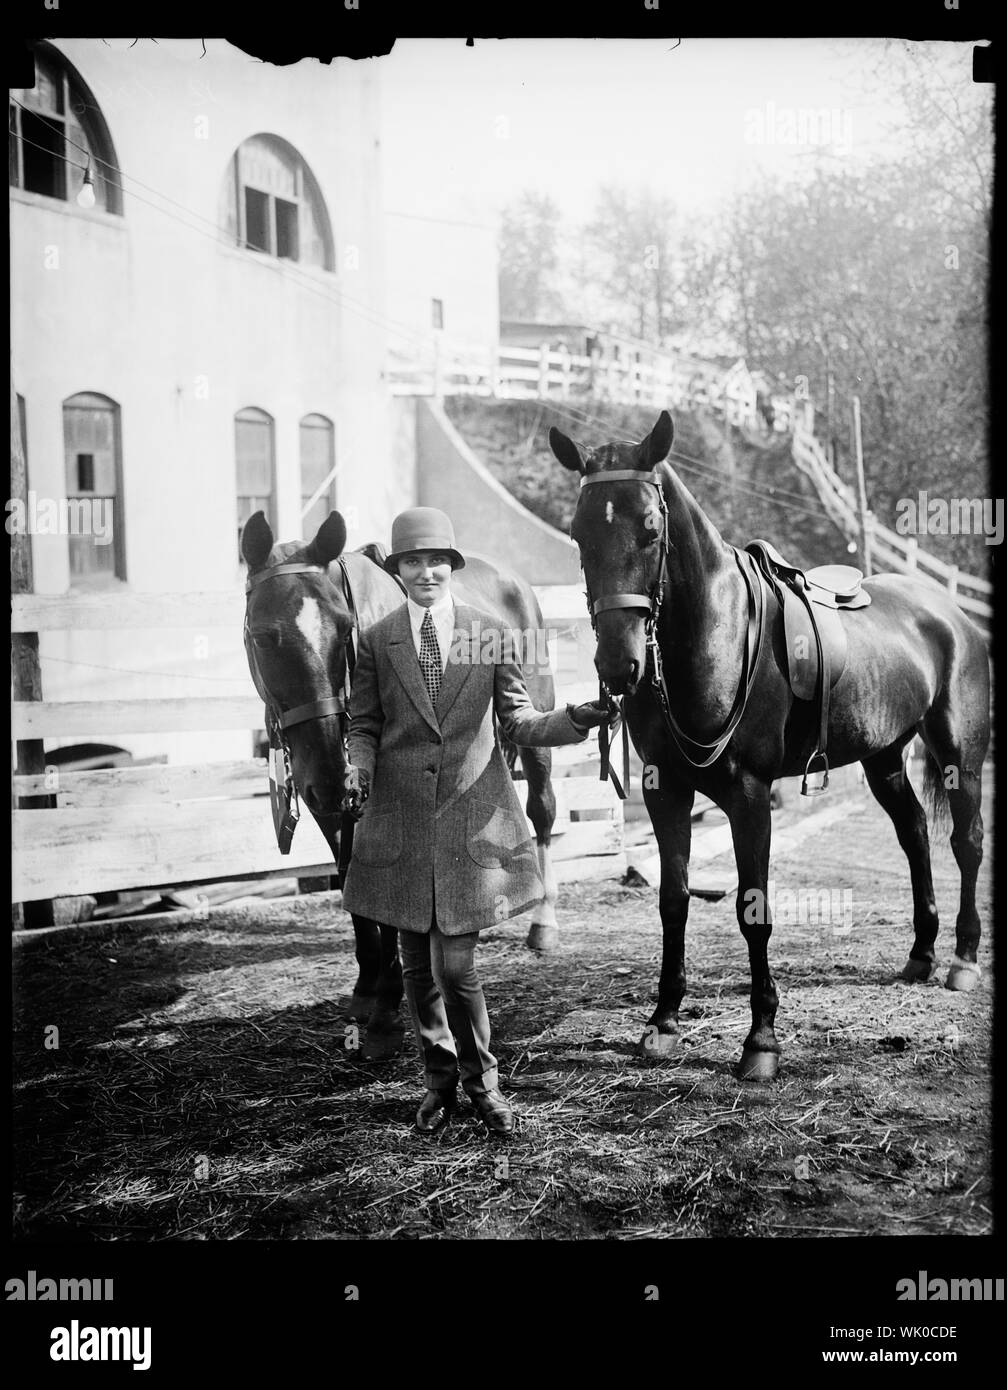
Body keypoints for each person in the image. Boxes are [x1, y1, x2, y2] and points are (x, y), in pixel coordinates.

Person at [340, 507, 609, 1136]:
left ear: (452, 566)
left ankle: (482, 1083)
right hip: (400, 824)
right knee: (414, 970)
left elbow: (516, 721)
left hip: (470, 824)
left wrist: (574, 719)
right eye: (412, 561)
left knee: (454, 969)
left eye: (437, 561)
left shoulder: (488, 632)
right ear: (398, 570)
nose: (426, 571)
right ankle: (437, 1085)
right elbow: (365, 724)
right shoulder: (377, 641)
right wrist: (358, 766)